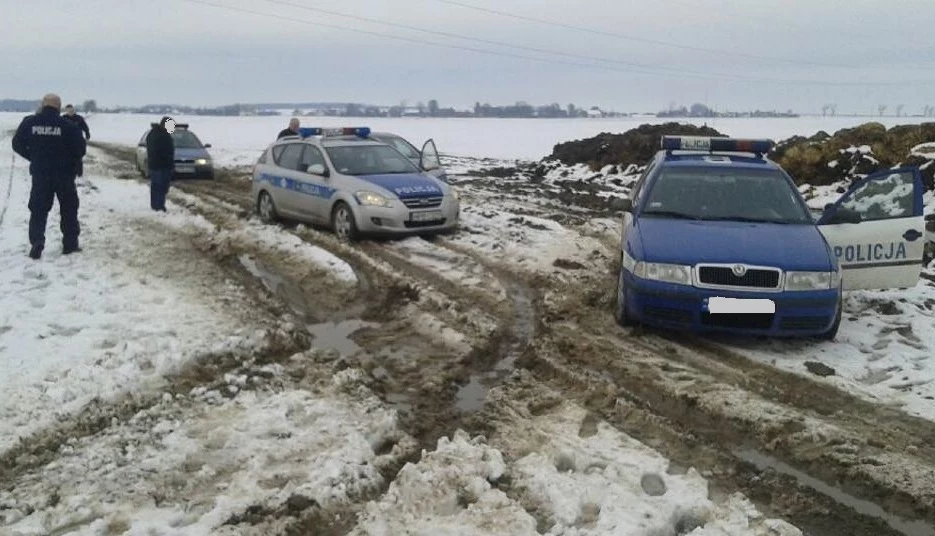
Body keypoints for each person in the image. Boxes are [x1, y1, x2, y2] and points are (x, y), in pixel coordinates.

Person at [11, 93, 86, 259]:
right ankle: (70, 244)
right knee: (69, 209)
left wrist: (33, 156)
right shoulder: (67, 126)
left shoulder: (29, 122)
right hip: (64, 175)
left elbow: (16, 144)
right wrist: (70, 160)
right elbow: (81, 148)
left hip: (40, 174)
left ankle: (37, 241)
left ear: (42, 105)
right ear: (59, 107)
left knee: (38, 209)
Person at [146, 116, 175, 211]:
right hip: (162, 165)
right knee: (161, 187)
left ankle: (155, 205)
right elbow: (165, 152)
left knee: (156, 186)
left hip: (154, 165)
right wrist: (169, 162)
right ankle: (159, 206)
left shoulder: (152, 133)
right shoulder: (162, 135)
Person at [62, 104, 91, 177]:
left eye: (72, 110)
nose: (70, 112)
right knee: (66, 156)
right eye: (69, 111)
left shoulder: (79, 118)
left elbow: (85, 127)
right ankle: (67, 170)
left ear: (74, 110)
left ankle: (79, 172)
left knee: (78, 156)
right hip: (66, 141)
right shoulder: (63, 118)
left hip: (78, 140)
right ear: (66, 111)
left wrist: (87, 134)